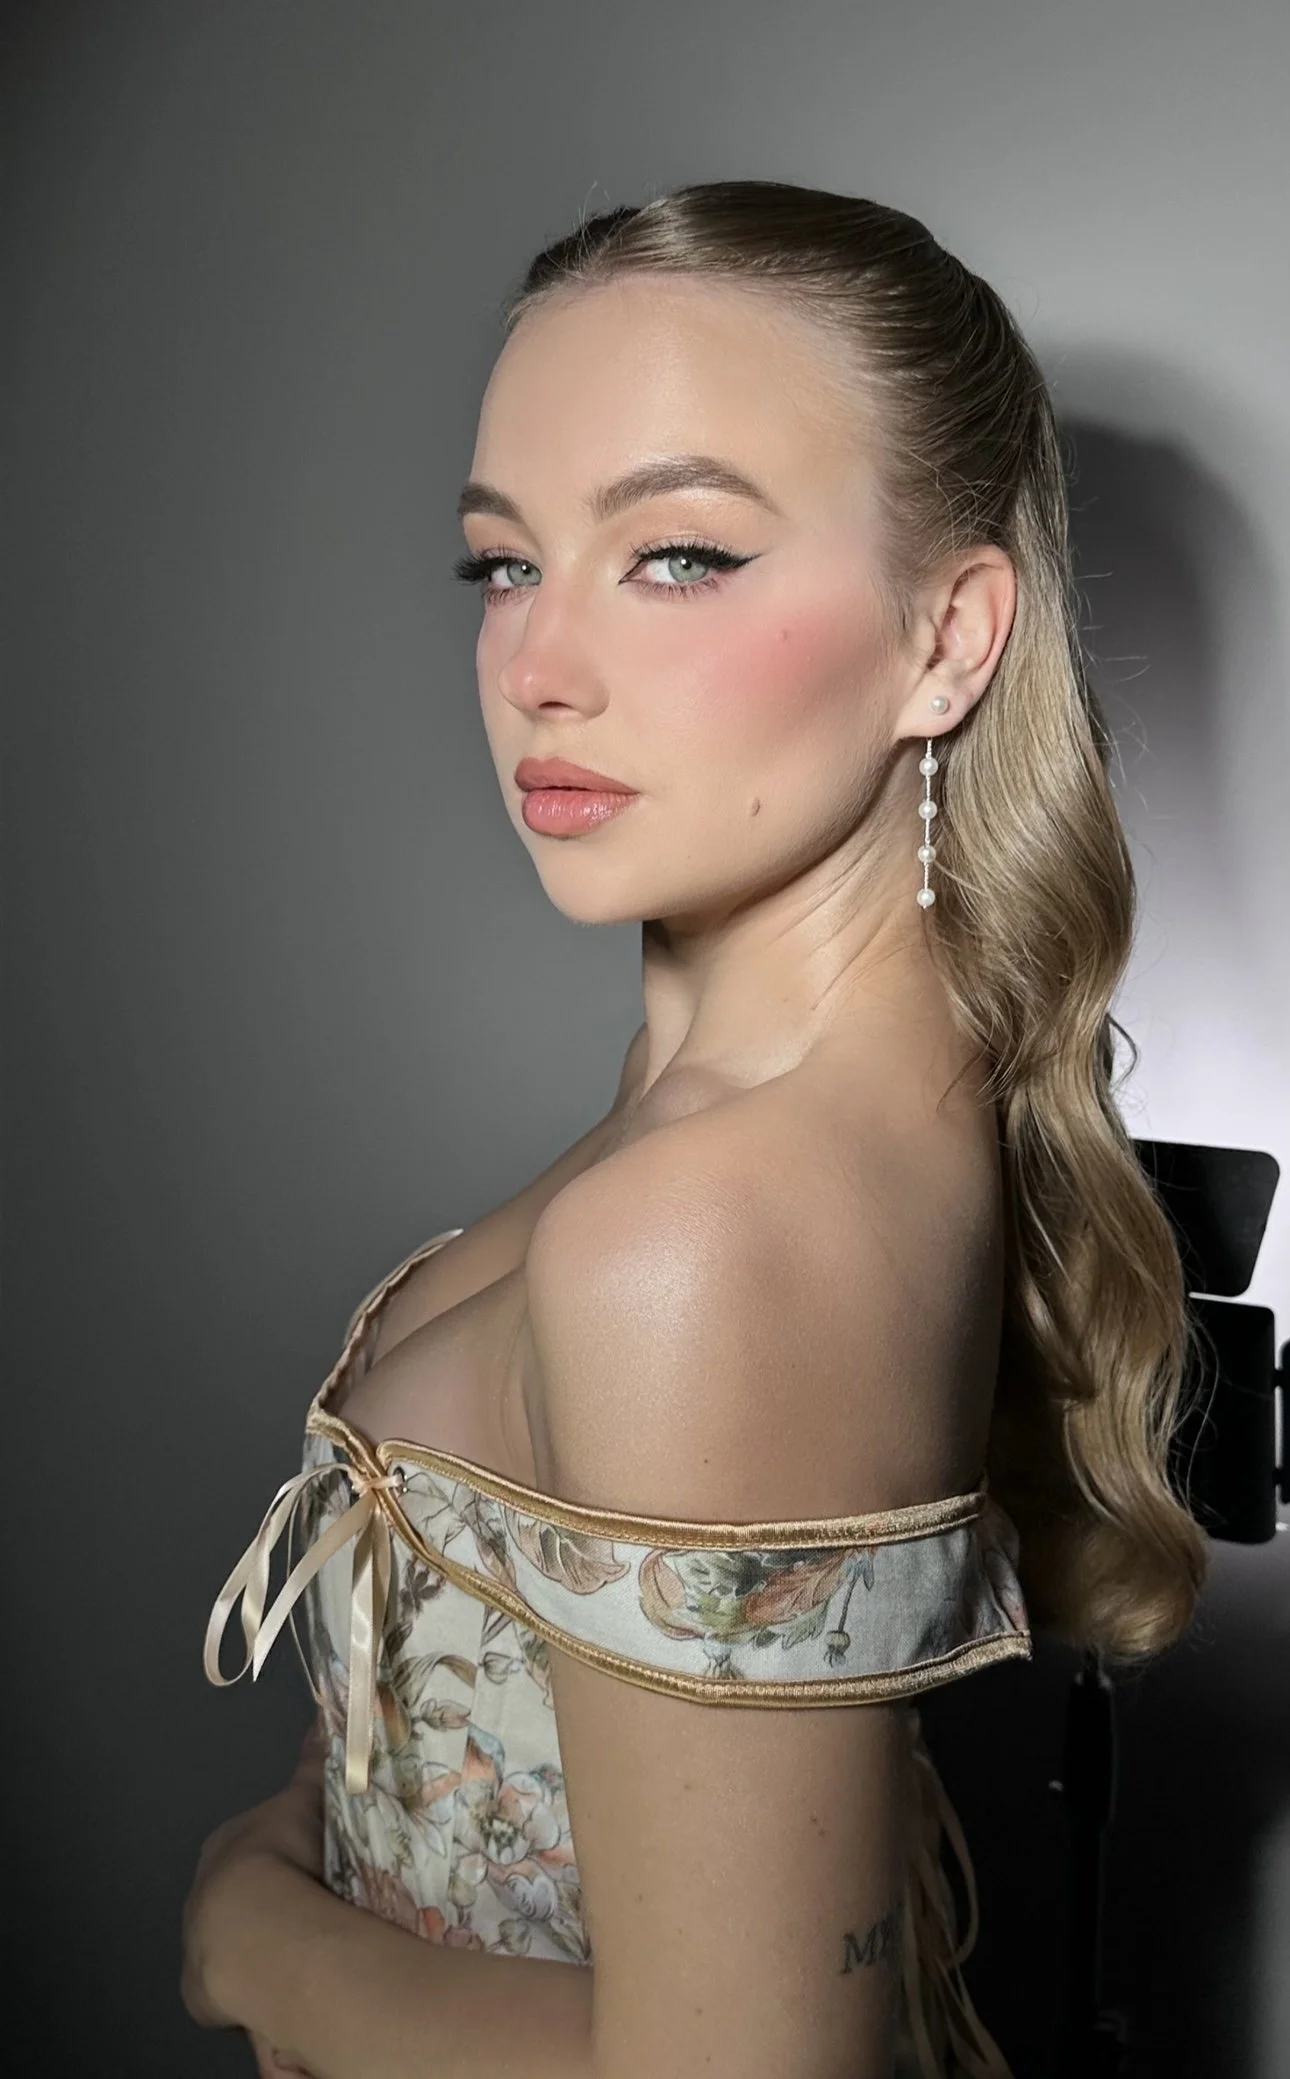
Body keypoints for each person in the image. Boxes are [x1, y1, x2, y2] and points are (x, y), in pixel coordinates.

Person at [182, 179, 1209, 2078]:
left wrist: (250, 1939)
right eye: (502, 563)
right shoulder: (752, 1112)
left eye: (677, 555)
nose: (536, 665)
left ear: (945, 639)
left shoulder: (711, 1224)